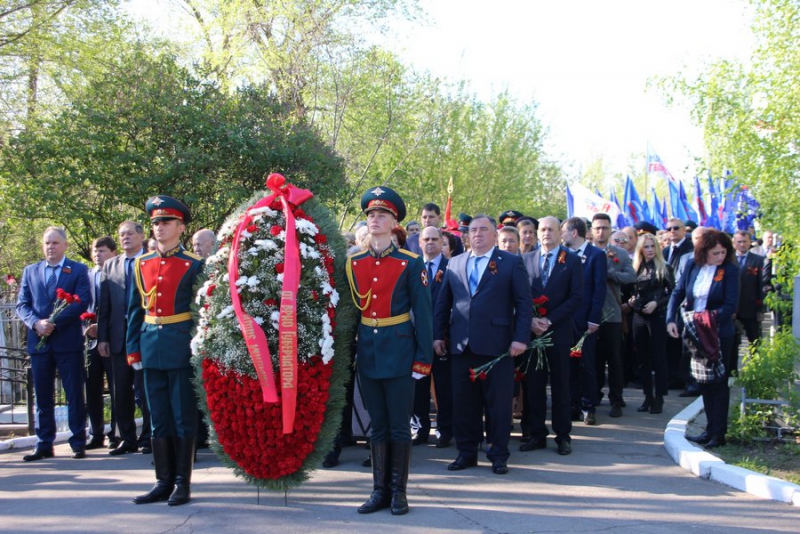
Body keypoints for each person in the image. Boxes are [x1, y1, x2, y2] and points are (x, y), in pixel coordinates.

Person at [346, 186, 432, 516]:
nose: (375, 219)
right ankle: (378, 490)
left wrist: (423, 360)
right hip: (369, 352)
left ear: (394, 221)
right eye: (370, 215)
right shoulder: (354, 263)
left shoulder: (410, 263)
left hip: (400, 352)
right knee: (377, 426)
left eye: (381, 214)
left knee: (398, 426)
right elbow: (353, 315)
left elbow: (423, 316)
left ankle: (399, 491)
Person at [434, 214, 532, 475]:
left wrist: (521, 338)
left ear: (493, 234)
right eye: (473, 230)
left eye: (483, 230)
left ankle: (498, 454)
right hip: (462, 346)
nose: (476, 234)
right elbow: (443, 304)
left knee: (498, 405)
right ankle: (466, 453)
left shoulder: (510, 263)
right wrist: (437, 336)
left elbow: (524, 304)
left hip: (498, 347)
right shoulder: (455, 263)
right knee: (463, 403)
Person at [128, 196, 204, 506]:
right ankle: (162, 481)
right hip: (150, 345)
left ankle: (182, 483)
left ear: (181, 227)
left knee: (183, 417)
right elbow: (134, 310)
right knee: (157, 417)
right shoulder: (141, 263)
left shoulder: (194, 264)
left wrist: (199, 349)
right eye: (156, 223)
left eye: (167, 222)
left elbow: (202, 312)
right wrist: (133, 349)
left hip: (180, 345)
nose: (160, 227)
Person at [17, 227, 91, 461]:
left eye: (55, 243)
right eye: (47, 243)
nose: (51, 247)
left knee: (74, 394)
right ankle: (44, 442)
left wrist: (53, 322)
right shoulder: (31, 271)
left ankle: (78, 441)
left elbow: (82, 302)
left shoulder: (78, 270)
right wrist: (36, 323)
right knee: (43, 395)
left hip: (67, 342)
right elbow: (22, 304)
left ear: (65, 245)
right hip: (39, 341)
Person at [667, 230, 739, 449]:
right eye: (715, 253)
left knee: (718, 382)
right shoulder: (692, 266)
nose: (719, 257)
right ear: (703, 251)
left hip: (718, 332)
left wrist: (706, 320)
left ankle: (719, 433)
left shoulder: (730, 270)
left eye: (723, 252)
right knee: (703, 381)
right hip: (693, 331)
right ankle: (709, 428)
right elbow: (678, 293)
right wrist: (670, 319)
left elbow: (730, 305)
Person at [521, 216, 582, 456]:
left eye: (551, 229)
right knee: (534, 386)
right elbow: (520, 295)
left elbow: (576, 297)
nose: (546, 233)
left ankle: (563, 435)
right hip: (533, 333)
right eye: (542, 229)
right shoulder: (525, 260)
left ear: (560, 233)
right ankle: (537, 434)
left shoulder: (572, 261)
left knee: (561, 386)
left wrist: (549, 319)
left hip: (559, 332)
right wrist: (531, 320)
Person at [98, 221, 152, 456]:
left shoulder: (151, 260)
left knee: (147, 389)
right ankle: (127, 438)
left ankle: (149, 437)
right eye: (121, 235)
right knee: (120, 392)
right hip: (118, 339)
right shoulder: (111, 265)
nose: (125, 238)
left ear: (141, 236)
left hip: (144, 336)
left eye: (130, 233)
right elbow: (105, 306)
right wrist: (102, 338)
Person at [591, 213, 636, 418]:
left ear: (610, 230)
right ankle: (593, 395)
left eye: (605, 228)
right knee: (593, 358)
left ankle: (616, 399)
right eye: (597, 227)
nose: (601, 231)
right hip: (589, 313)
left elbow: (630, 276)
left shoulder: (619, 253)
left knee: (615, 359)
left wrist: (609, 272)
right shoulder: (584, 252)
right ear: (592, 230)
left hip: (612, 313)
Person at [561, 217, 606, 425]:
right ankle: (573, 405)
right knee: (568, 364)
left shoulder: (596, 255)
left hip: (585, 319)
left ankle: (590, 405)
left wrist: (594, 319)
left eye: (563, 231)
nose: (561, 235)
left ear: (574, 233)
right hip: (565, 320)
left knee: (587, 363)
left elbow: (599, 290)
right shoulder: (563, 255)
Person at [412, 226, 452, 448]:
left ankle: (445, 430)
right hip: (416, 339)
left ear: (442, 241)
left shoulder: (452, 267)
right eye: (426, 239)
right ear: (419, 242)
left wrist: (442, 334)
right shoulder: (411, 266)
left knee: (444, 388)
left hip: (443, 339)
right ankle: (420, 428)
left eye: (434, 239)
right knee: (418, 387)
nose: (430, 243)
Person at [629, 233, 674, 414]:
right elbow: (629, 292)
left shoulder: (664, 267)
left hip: (657, 316)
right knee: (642, 359)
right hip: (639, 316)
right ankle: (648, 396)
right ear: (640, 249)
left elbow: (673, 293)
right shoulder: (635, 268)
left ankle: (659, 397)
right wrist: (632, 301)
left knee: (658, 357)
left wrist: (657, 303)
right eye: (646, 247)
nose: (649, 250)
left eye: (652, 246)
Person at [85, 236, 118, 450]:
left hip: (112, 338)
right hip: (89, 338)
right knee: (92, 388)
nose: (98, 255)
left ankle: (117, 434)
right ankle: (96, 433)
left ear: (113, 253)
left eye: (103, 251)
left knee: (117, 388)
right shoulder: (87, 276)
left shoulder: (118, 274)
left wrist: (104, 329)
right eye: (96, 252)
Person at [733, 230, 765, 351]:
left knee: (755, 341)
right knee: (733, 343)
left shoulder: (758, 260)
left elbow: (760, 285)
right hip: (733, 307)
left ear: (749, 242)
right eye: (739, 242)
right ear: (734, 243)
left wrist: (760, 309)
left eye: (745, 241)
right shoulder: (728, 260)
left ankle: (757, 366)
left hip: (750, 307)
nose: (742, 244)